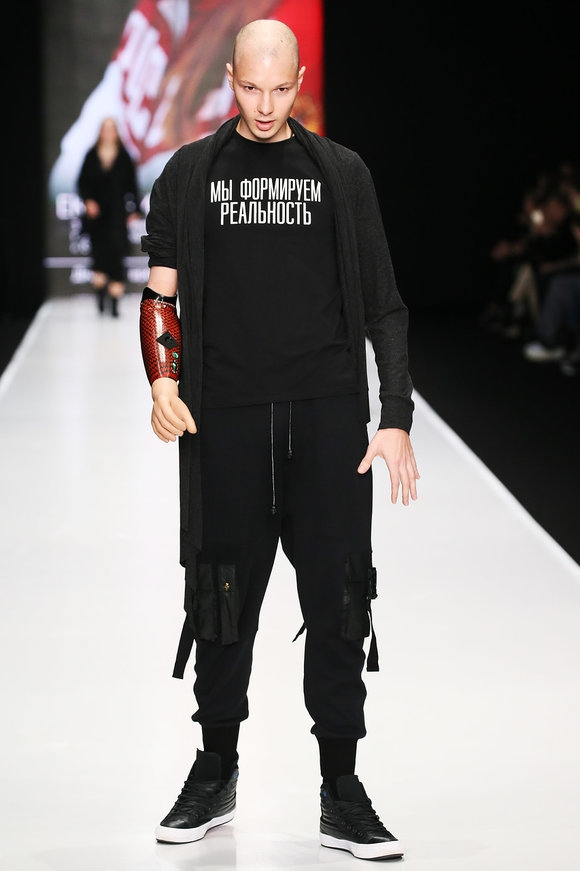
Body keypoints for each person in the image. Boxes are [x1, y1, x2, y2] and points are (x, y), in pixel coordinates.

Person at [139, 19, 419, 861]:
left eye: (280, 89)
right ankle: (215, 767)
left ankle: (342, 787)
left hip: (327, 415)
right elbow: (161, 293)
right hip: (223, 414)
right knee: (220, 598)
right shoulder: (189, 174)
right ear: (230, 78)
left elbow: (384, 304)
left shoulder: (342, 173)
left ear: (299, 84)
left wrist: (394, 415)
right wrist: (161, 381)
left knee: (339, 600)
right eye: (251, 88)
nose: (265, 106)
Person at [77, 116, 142, 316]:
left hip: (116, 215)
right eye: (105, 128)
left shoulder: (124, 156)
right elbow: (82, 183)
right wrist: (88, 201)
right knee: (99, 258)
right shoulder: (91, 155)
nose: (108, 132)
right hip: (96, 218)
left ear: (116, 132)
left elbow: (132, 185)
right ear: (100, 132)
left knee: (117, 257)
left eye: (111, 128)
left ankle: (114, 303)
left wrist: (135, 209)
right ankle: (100, 296)